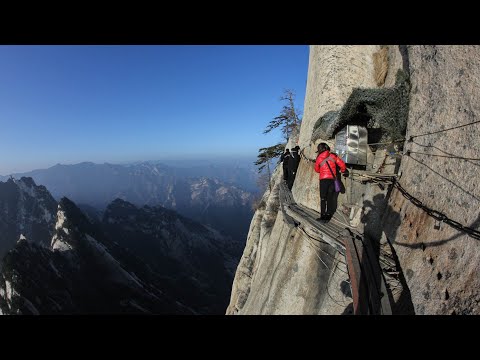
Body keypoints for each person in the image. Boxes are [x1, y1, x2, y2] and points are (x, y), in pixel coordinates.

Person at [314, 142, 348, 222]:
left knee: (323, 198)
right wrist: (342, 170)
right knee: (330, 198)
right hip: (332, 180)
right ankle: (328, 216)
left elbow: (316, 169)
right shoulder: (333, 156)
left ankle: (323, 216)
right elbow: (342, 165)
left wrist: (322, 171)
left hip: (323, 180)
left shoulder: (319, 158)